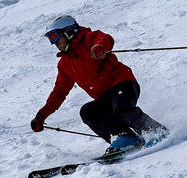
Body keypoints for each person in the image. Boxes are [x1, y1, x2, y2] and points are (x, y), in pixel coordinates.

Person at [30, 15, 168, 154]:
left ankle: (155, 131)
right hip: (105, 96)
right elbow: (59, 92)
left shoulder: (89, 39)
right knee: (88, 111)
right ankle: (125, 137)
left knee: (122, 110)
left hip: (122, 84)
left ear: (69, 32)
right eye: (50, 39)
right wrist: (41, 116)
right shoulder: (65, 64)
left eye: (54, 36)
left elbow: (105, 38)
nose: (53, 43)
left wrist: (100, 47)